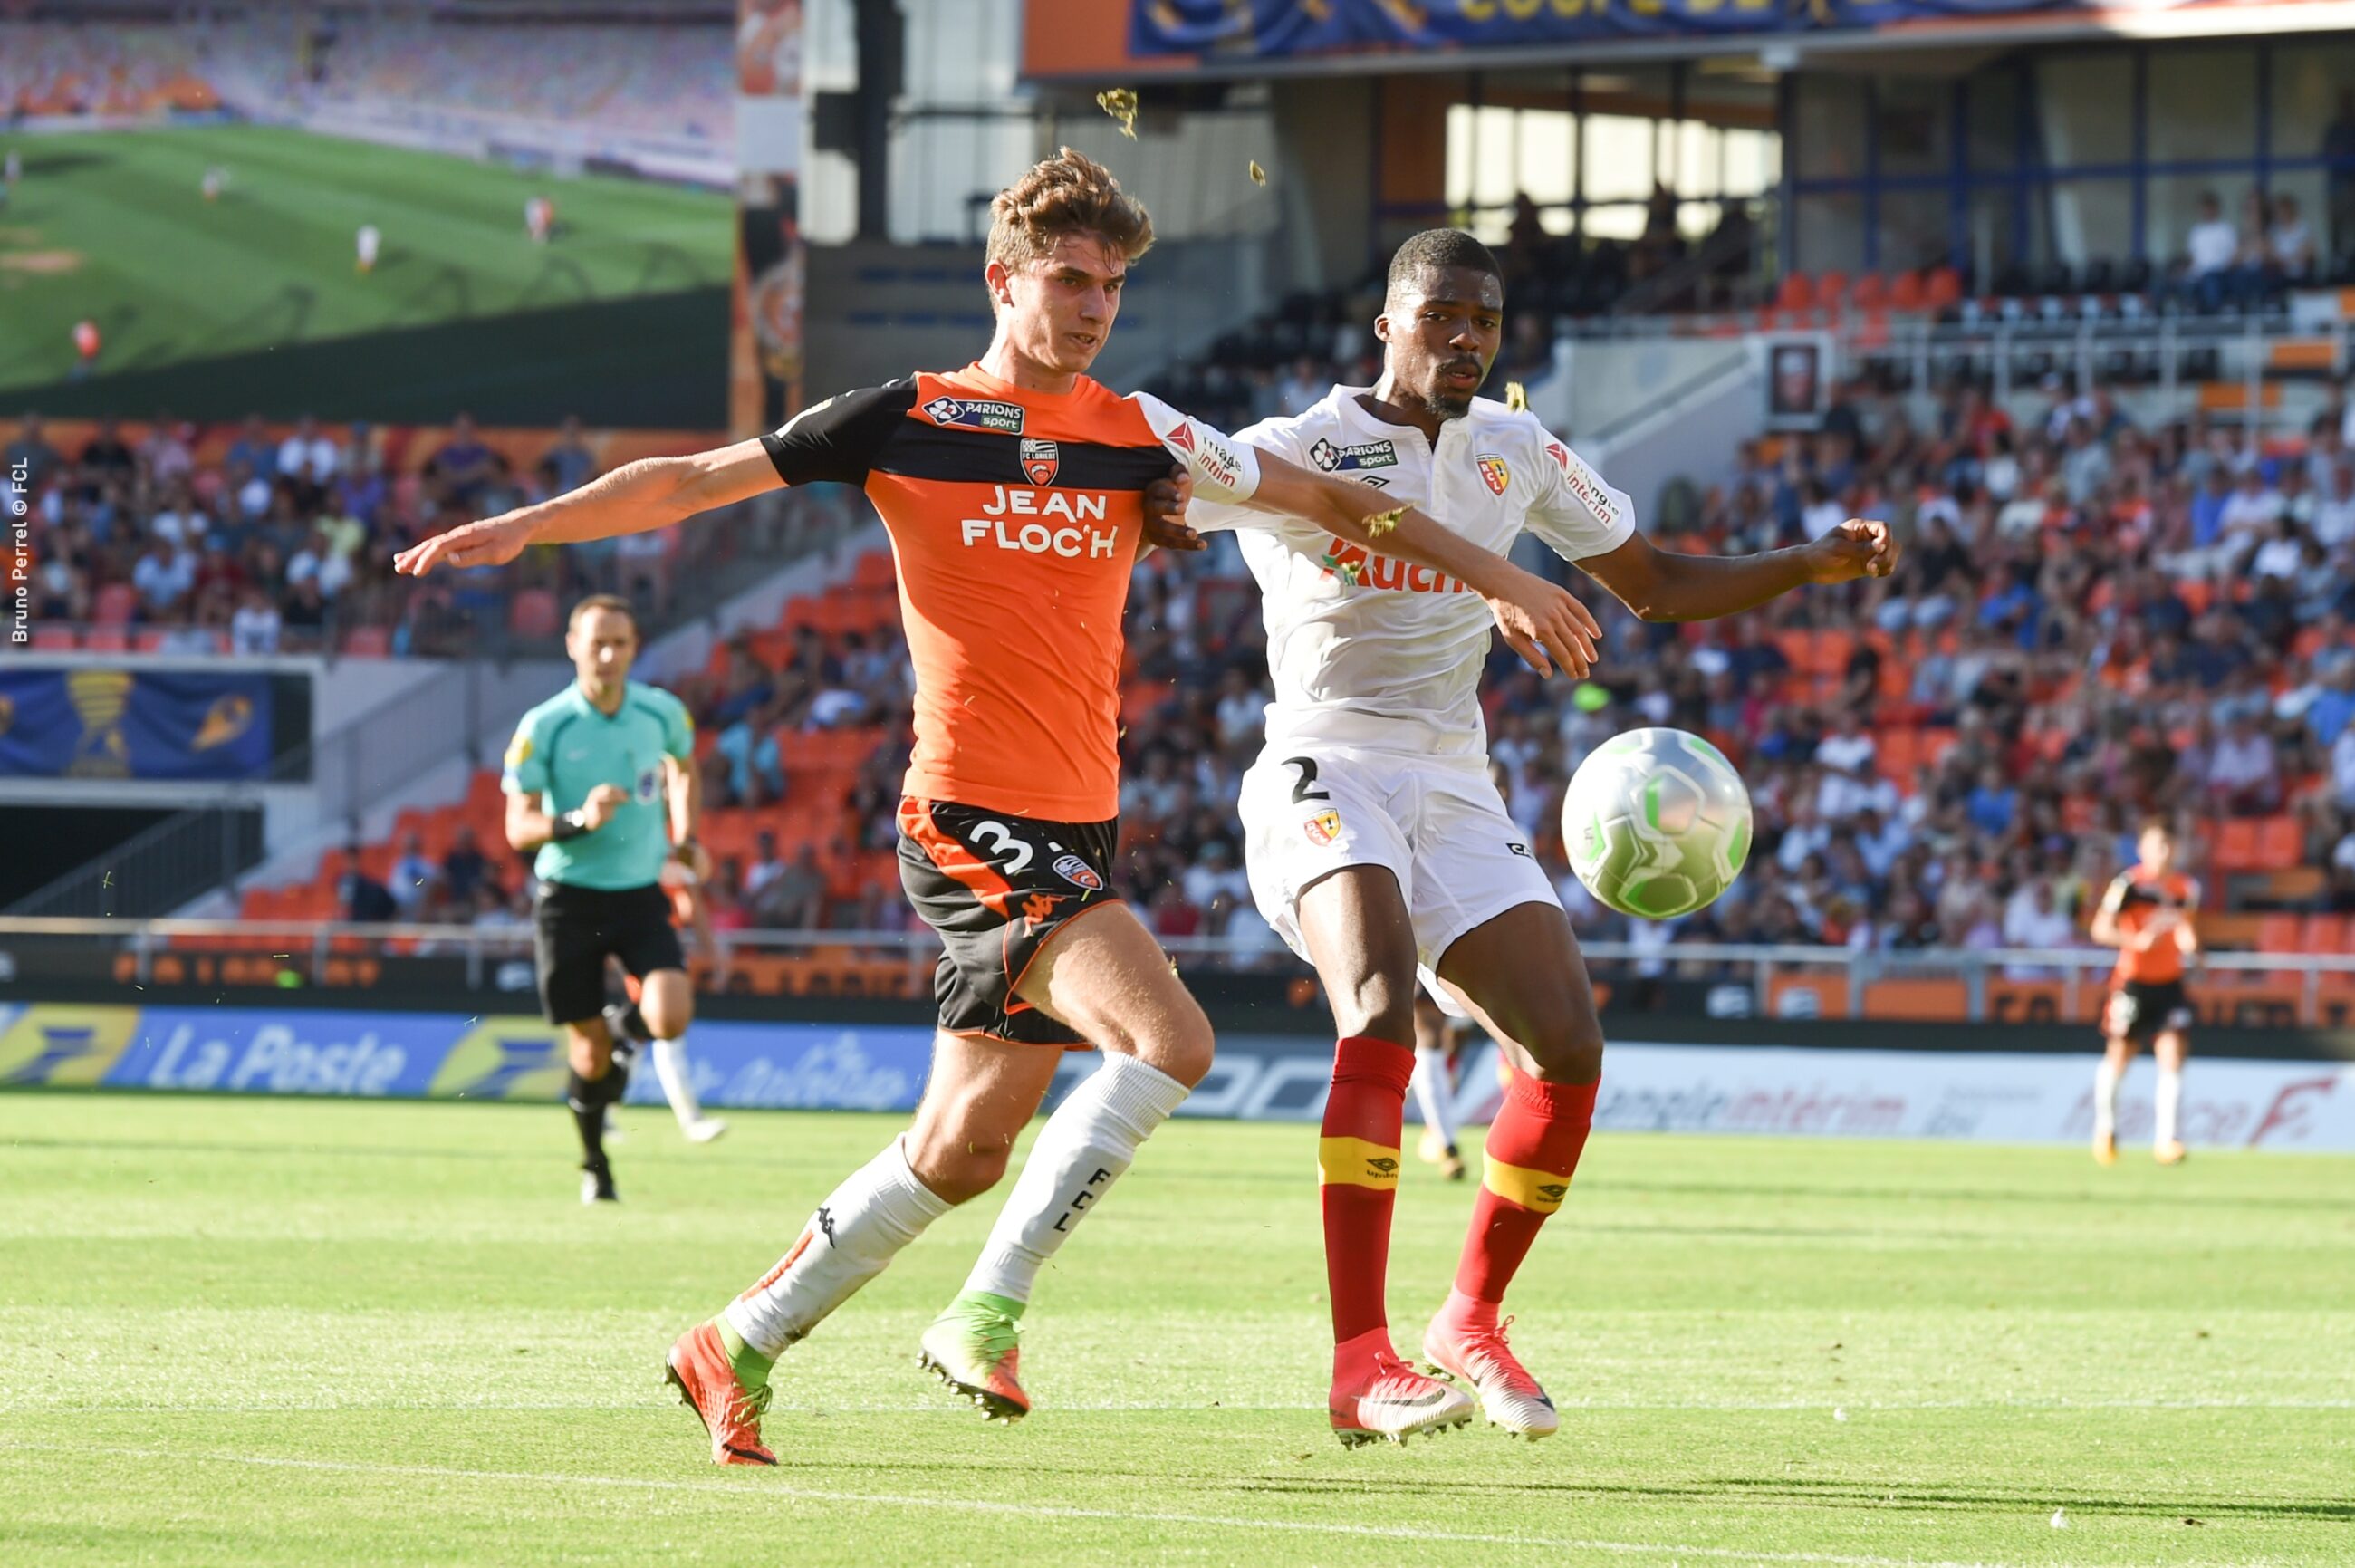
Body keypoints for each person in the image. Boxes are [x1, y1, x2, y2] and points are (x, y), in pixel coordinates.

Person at [393, 149, 1596, 1462]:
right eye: (1069, 280)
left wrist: (1502, 578)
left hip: (1077, 821)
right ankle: (988, 1309)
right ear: (1003, 280)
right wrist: (528, 523)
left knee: (963, 1146)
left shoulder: (1140, 434)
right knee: (1170, 1038)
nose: (1091, 307)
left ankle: (735, 1337)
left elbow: (1335, 499)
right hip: (966, 815)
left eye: (1113, 286)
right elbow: (691, 478)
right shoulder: (904, 418)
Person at [1178, 227, 1897, 1443]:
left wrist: (1805, 563)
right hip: (1323, 757)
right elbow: (1160, 506)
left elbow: (1655, 580)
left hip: (1453, 776)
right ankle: (1361, 1357)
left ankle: (1470, 1315)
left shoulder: (1518, 449)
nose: (1465, 338)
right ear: (1387, 322)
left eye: (1485, 322)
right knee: (1375, 995)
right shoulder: (1293, 447)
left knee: (1567, 1042)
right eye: (1442, 315)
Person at [499, 595, 719, 1203]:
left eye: (619, 642)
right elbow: (518, 828)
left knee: (670, 1012)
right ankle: (595, 1163)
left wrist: (686, 838)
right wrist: (576, 819)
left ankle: (628, 1039)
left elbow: (684, 768)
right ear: (571, 644)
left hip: (638, 892)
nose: (607, 654)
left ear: (634, 646)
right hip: (567, 899)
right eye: (596, 641)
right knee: (588, 1049)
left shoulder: (660, 712)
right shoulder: (544, 725)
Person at [2088, 820, 2199, 1167]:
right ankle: (2105, 1129)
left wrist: (2191, 947)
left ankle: (2167, 1139)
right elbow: (2100, 930)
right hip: (2134, 983)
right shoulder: (2128, 885)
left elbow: (2185, 929)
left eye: (2168, 846)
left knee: (2173, 1055)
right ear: (2142, 850)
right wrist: (2135, 942)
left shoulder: (2185, 888)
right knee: (2120, 1056)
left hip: (2170, 983)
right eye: (2157, 846)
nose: (2164, 853)